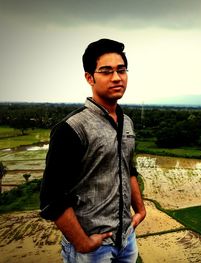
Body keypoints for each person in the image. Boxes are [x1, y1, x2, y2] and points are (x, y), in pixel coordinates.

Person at [40, 38, 146, 263]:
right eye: (106, 71)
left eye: (121, 70)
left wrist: (141, 210)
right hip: (92, 247)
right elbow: (52, 197)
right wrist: (82, 243)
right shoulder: (72, 128)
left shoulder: (126, 122)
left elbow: (129, 168)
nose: (117, 78)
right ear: (90, 77)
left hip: (126, 239)